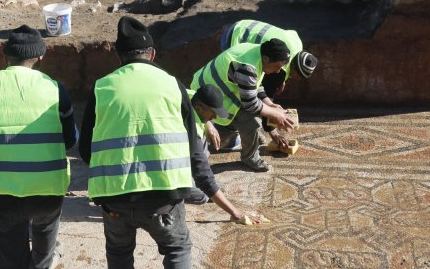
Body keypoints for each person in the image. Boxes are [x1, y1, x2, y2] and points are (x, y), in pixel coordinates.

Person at [81, 17, 220, 269]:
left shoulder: (102, 87)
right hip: (163, 198)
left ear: (118, 56)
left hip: (114, 198)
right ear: (153, 54)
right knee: (177, 249)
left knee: (119, 252)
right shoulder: (172, 85)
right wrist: (210, 191)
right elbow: (193, 147)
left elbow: (84, 149)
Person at [0, 25, 77, 269]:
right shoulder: (55, 89)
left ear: (5, 56)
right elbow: (70, 140)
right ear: (40, 57)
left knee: (8, 254)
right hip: (45, 187)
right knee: (46, 230)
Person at [190, 38, 296, 171]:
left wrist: (269, 104)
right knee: (253, 121)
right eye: (278, 66)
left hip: (220, 93)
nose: (278, 71)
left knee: (252, 120)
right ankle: (250, 157)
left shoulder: (257, 53)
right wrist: (275, 114)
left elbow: (255, 85)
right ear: (266, 59)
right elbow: (250, 104)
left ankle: (238, 133)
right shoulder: (247, 66)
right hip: (206, 100)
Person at [218, 20, 319, 151]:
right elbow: (262, 97)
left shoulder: (295, 49)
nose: (296, 79)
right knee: (241, 94)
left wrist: (282, 80)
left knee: (251, 90)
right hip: (236, 37)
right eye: (297, 75)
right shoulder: (278, 68)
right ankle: (230, 137)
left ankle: (249, 132)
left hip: (245, 26)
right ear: (292, 67)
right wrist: (273, 133)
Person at [181, 85, 263, 224]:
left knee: (203, 146)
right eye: (213, 112)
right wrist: (235, 212)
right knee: (203, 196)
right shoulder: (191, 130)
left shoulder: (187, 95)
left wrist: (208, 124)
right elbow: (203, 176)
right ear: (199, 108)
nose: (215, 116)